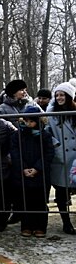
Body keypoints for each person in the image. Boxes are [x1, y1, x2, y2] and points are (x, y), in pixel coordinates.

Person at [10, 106, 53, 238]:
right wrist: (23, 168)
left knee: (40, 201)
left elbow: (48, 153)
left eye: (31, 121)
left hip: (40, 174)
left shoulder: (45, 135)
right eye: (26, 121)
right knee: (25, 200)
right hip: (23, 173)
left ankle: (40, 226)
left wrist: (37, 168)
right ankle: (26, 226)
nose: (28, 124)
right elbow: (15, 152)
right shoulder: (18, 134)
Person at [46, 82, 76, 234]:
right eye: (57, 95)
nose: (59, 97)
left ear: (69, 96)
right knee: (61, 192)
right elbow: (47, 132)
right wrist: (56, 145)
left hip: (74, 158)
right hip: (61, 158)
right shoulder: (51, 113)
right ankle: (66, 222)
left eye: (62, 94)